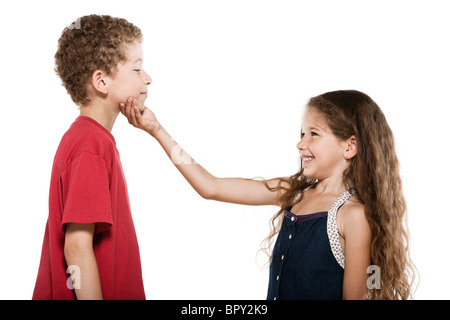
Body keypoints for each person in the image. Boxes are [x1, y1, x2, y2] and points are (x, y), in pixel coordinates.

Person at [119, 89, 415, 299]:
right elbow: (211, 186)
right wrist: (156, 129)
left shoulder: (354, 216)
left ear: (349, 146)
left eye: (314, 134)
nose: (300, 144)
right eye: (301, 134)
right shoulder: (294, 193)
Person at [32, 15, 152, 300]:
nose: (148, 78)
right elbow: (76, 247)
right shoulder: (91, 144)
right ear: (101, 81)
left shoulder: (91, 139)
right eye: (137, 69)